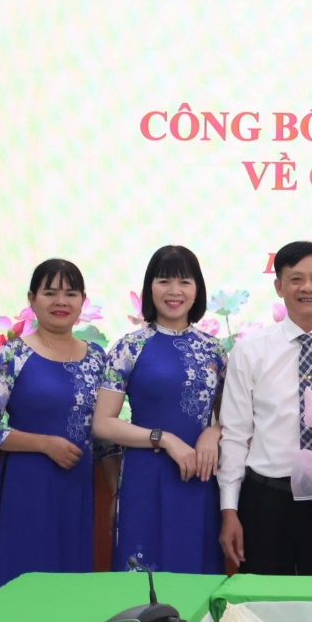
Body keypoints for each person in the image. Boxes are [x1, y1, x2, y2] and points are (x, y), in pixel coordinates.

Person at [217, 240, 312, 575]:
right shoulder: (250, 351)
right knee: (264, 600)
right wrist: (229, 509)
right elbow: (234, 434)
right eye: (296, 279)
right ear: (279, 286)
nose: (308, 288)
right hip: (266, 499)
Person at [0, 258, 106, 588]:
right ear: (32, 299)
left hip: (78, 485)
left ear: (83, 301)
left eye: (70, 293)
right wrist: (45, 444)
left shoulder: (97, 357)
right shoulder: (12, 355)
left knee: (73, 583)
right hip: (29, 484)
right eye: (50, 293)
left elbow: (105, 430)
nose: (61, 301)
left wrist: (117, 491)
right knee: (26, 578)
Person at [92, 245, 226, 574]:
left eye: (184, 282)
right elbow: (103, 424)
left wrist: (213, 432)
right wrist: (164, 439)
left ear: (197, 290)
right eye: (164, 281)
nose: (174, 291)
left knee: (196, 576)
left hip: (200, 477)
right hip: (144, 478)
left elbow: (231, 417)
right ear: (150, 287)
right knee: (141, 587)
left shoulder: (215, 350)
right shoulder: (129, 347)